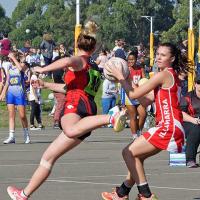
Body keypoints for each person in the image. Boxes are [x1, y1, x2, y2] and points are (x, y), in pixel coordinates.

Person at [7, 21, 126, 200]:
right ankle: (24, 194)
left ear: (77, 45)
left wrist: (43, 69)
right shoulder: (92, 67)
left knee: (69, 129)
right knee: (48, 157)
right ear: (94, 49)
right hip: (86, 106)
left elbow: (68, 61)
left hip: (77, 103)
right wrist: (45, 84)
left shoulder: (80, 60)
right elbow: (69, 87)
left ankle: (111, 116)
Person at [101, 42, 188, 200]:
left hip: (168, 127)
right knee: (136, 157)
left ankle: (146, 195)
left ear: (172, 58)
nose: (158, 57)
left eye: (163, 55)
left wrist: (120, 76)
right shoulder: (168, 76)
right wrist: (126, 77)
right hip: (169, 127)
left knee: (127, 153)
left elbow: (133, 95)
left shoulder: (164, 75)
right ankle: (122, 193)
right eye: (157, 54)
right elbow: (145, 100)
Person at [0, 52, 31, 144]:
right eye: (9, 57)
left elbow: (21, 69)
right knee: (11, 115)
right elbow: (7, 81)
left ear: (15, 57)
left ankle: (26, 135)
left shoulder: (21, 65)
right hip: (11, 93)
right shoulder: (9, 67)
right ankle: (11, 136)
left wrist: (14, 58)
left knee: (22, 116)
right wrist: (3, 93)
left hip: (19, 93)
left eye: (11, 57)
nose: (9, 59)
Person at [121, 50, 147, 139]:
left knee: (143, 114)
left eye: (132, 59)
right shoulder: (126, 69)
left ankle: (139, 131)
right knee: (134, 116)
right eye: (129, 60)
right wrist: (122, 101)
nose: (130, 61)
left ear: (136, 59)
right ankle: (134, 135)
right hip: (129, 95)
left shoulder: (140, 68)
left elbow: (144, 80)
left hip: (139, 94)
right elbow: (122, 84)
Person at [180, 75, 200, 168]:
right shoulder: (187, 96)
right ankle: (190, 159)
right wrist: (193, 120)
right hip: (189, 122)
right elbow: (181, 113)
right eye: (199, 83)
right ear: (195, 84)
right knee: (195, 129)